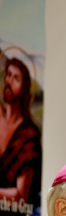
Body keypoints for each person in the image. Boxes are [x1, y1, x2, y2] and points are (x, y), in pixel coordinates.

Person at [0, 57, 41, 204]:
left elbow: (20, 194)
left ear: (24, 89)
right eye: (8, 75)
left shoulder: (28, 134)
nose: (9, 81)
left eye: (16, 78)